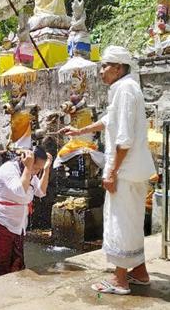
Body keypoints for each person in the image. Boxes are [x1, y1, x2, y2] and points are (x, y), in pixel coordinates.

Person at [60, 46, 156, 295]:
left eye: (105, 66)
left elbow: (123, 139)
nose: (101, 71)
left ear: (119, 68)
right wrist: (79, 131)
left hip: (124, 170)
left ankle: (120, 280)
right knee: (132, 222)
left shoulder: (125, 90)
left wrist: (111, 172)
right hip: (134, 169)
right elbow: (108, 120)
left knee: (119, 222)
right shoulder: (126, 89)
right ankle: (140, 272)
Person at [0, 146, 52, 278]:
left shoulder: (30, 173)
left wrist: (46, 170)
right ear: (26, 160)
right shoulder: (9, 169)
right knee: (1, 265)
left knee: (17, 264)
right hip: (2, 221)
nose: (36, 172)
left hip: (18, 225)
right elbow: (19, 190)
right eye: (36, 168)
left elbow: (41, 192)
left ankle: (15, 293)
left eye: (39, 169)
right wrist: (28, 168)